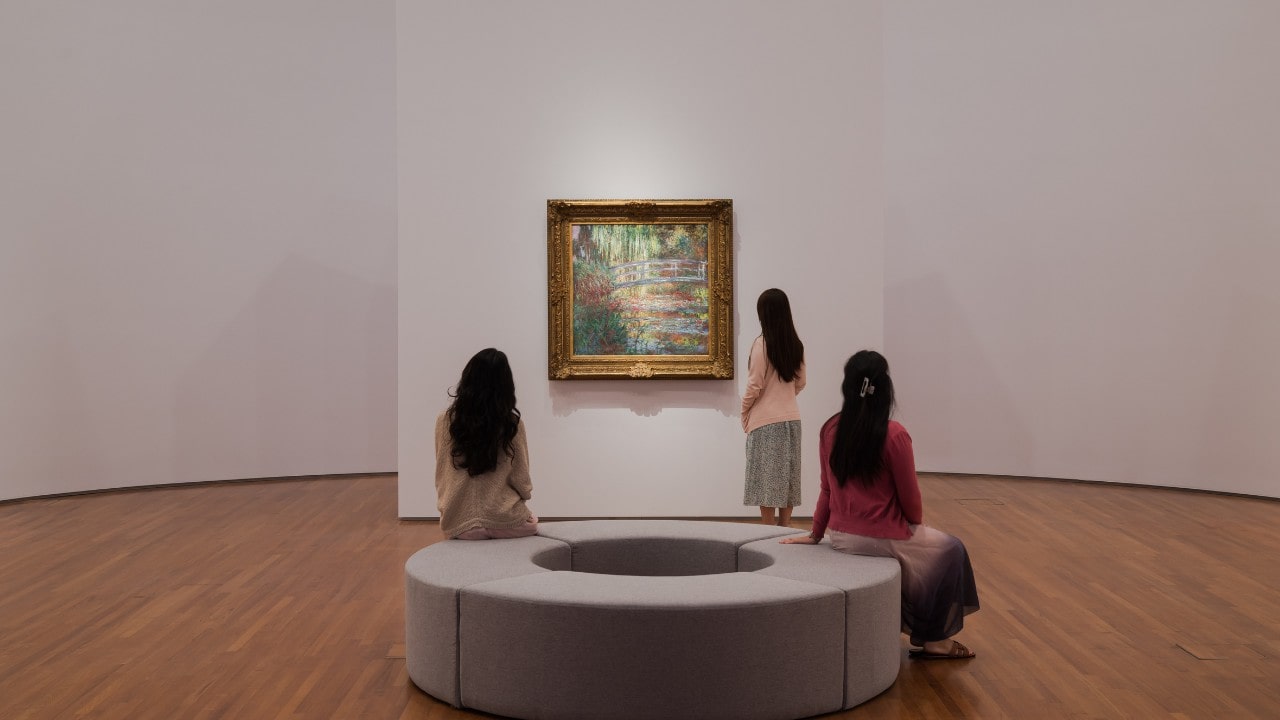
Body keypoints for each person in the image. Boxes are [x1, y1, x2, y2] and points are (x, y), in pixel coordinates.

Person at [781, 350, 980, 659]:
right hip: (884, 536)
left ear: (847, 387)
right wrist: (914, 526)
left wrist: (816, 534)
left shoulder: (830, 430)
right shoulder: (895, 435)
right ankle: (935, 640)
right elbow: (911, 500)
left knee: (924, 556)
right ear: (885, 388)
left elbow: (826, 489)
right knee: (952, 550)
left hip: (843, 538)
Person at [435, 348, 538, 540]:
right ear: (506, 385)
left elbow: (442, 473)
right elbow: (521, 478)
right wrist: (525, 498)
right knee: (533, 523)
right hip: (503, 518)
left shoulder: (444, 421)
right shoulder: (511, 423)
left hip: (458, 523)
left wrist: (447, 507)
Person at [741, 288, 806, 527]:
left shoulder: (761, 345)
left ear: (764, 314)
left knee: (766, 480)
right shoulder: (796, 345)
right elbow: (801, 382)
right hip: (792, 420)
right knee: (788, 477)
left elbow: (754, 385)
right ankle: (785, 526)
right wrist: (785, 397)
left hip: (766, 422)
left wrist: (745, 411)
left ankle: (767, 529)